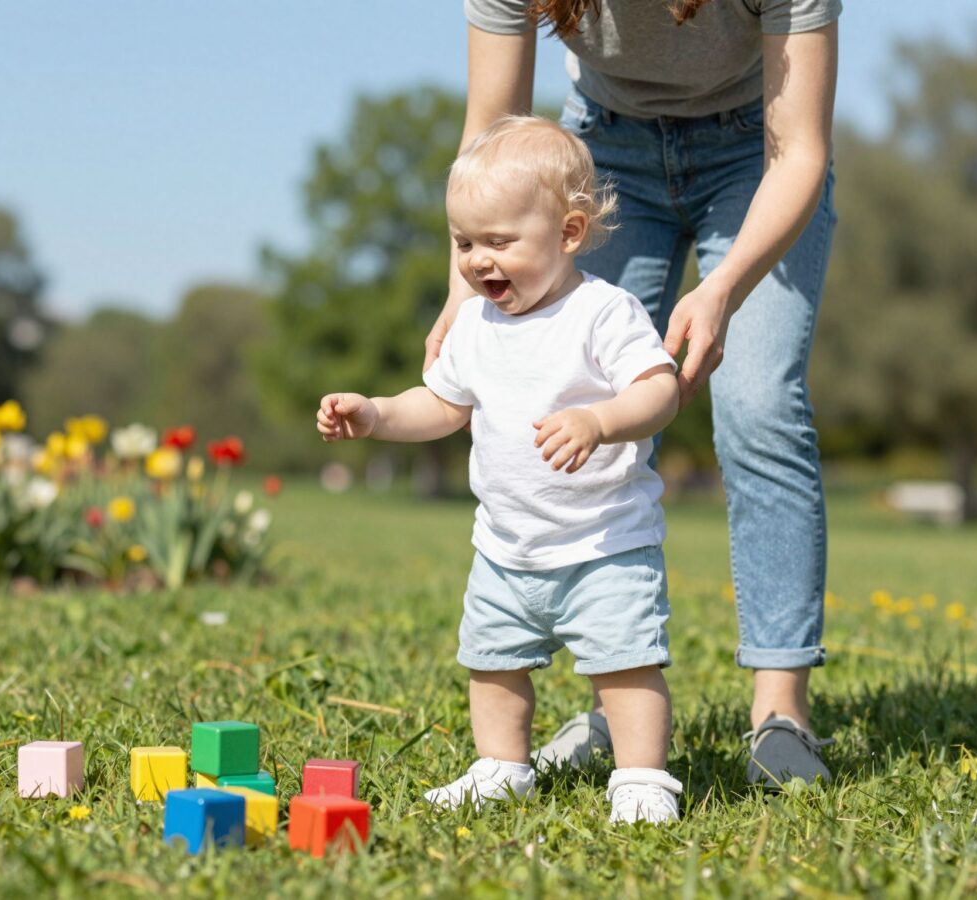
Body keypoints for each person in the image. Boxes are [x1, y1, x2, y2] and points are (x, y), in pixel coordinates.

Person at [425, 0, 841, 787]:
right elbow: (489, 133)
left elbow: (800, 151)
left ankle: (781, 712)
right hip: (600, 151)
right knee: (579, 398)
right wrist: (462, 293)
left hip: (759, 150)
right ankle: (612, 704)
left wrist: (721, 289)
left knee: (759, 405)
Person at [318, 116, 685, 824]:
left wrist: (600, 420)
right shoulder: (477, 327)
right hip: (506, 546)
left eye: (500, 242)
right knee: (492, 662)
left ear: (569, 233)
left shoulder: (603, 313)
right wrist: (376, 413)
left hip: (603, 543)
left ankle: (641, 779)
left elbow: (659, 388)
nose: (480, 261)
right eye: (464, 243)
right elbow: (443, 403)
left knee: (625, 666)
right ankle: (501, 767)